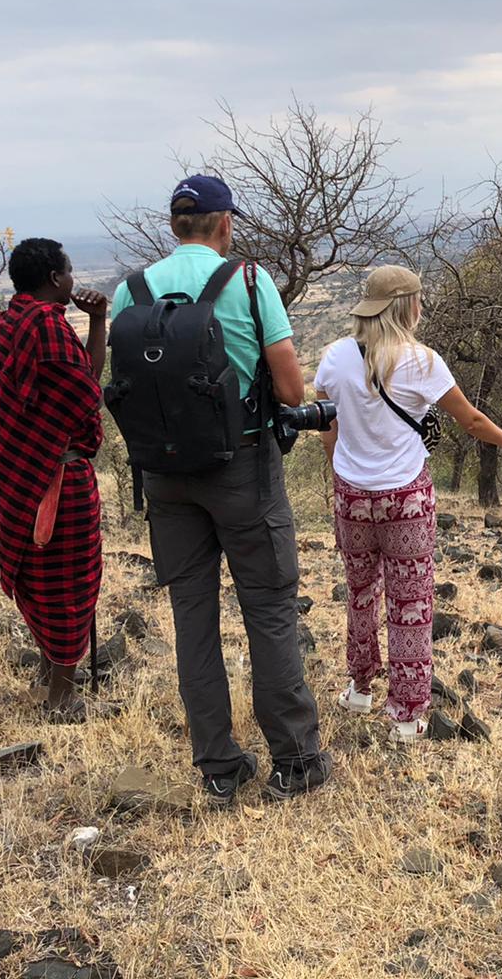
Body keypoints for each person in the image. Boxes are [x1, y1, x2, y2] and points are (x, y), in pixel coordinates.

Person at [110, 175, 328, 804]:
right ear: (224, 223)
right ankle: (294, 760)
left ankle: (219, 767)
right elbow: (291, 393)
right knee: (268, 608)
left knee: (193, 618)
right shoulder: (250, 284)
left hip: (165, 477)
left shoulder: (132, 291)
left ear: (174, 225)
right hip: (243, 471)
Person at [313, 264, 502, 743]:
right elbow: (471, 421)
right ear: (408, 306)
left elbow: (328, 423)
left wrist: (341, 471)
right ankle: (408, 714)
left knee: (360, 593)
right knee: (410, 603)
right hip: (407, 498)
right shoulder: (421, 362)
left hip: (352, 495)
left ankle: (360, 686)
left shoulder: (334, 356)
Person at [0, 237, 111, 723]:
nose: (74, 279)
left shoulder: (14, 318)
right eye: (70, 271)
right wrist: (98, 323)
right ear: (57, 279)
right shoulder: (47, 327)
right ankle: (61, 695)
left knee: (41, 573)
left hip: (21, 472)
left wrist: (94, 321)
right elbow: (87, 393)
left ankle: (48, 670)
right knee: (70, 581)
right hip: (57, 476)